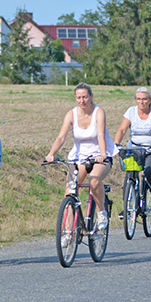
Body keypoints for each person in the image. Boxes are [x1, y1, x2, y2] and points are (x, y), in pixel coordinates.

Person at [46, 83, 118, 231]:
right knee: (70, 190)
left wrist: (103, 154)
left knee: (94, 180)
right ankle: (68, 232)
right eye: (78, 97)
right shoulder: (71, 114)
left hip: (100, 155)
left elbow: (100, 135)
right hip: (80, 157)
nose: (82, 101)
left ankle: (101, 212)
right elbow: (61, 137)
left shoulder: (98, 112)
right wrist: (51, 153)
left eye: (85, 97)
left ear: (91, 96)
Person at [114, 87, 151, 210]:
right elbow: (122, 129)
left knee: (149, 171)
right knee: (130, 175)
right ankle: (128, 207)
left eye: (144, 99)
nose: (141, 102)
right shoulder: (131, 111)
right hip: (135, 148)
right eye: (138, 99)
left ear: (150, 100)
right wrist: (116, 143)